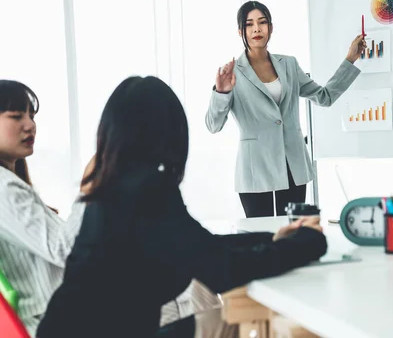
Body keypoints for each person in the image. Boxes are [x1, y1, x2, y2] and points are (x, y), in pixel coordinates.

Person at [37, 76, 327, 338]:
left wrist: (273, 239)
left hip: (62, 329)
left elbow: (199, 246)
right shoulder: (148, 188)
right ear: (168, 132)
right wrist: (309, 244)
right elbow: (224, 270)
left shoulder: (109, 187)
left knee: (225, 318)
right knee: (234, 321)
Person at [205, 0, 367, 218]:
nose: (256, 29)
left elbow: (324, 97)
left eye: (262, 23)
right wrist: (221, 92)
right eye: (249, 24)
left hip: (292, 164)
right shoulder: (232, 73)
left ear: (271, 27)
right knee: (261, 237)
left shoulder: (289, 64)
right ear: (240, 31)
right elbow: (213, 125)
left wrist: (350, 59)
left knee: (291, 234)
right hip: (255, 168)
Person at [0, 80, 85, 334]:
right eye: (16, 116)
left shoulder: (12, 185)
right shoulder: (5, 189)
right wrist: (92, 188)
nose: (30, 125)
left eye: (32, 116)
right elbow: (64, 248)